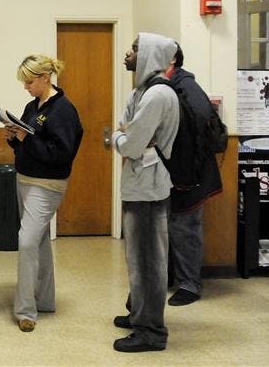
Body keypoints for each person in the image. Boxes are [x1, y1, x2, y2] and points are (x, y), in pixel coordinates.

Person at [4, 54, 83, 332]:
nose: (25, 86)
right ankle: (45, 300)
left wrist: (27, 139)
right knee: (38, 243)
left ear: (45, 77)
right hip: (25, 179)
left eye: (29, 81)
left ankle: (26, 311)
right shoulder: (32, 105)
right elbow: (29, 144)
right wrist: (15, 139)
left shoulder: (63, 110)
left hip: (46, 185)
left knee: (26, 241)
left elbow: (61, 154)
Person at [111, 33, 179, 353]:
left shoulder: (157, 96)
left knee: (150, 262)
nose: (129, 52)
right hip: (138, 186)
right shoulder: (141, 92)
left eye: (136, 49)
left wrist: (124, 138)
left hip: (150, 191)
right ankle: (139, 314)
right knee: (137, 261)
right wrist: (123, 137)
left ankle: (151, 331)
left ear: (150, 55)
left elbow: (131, 142)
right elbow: (122, 130)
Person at [164, 46, 223, 306]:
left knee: (185, 228)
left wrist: (188, 166)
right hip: (179, 173)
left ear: (172, 59)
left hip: (192, 174)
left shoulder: (186, 86)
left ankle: (190, 284)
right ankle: (172, 277)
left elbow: (199, 127)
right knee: (172, 226)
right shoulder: (170, 85)